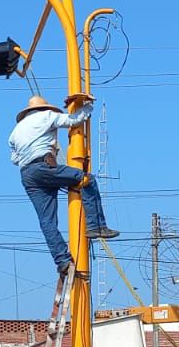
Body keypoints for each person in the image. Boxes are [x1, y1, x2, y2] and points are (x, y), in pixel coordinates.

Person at [8, 92, 118, 275]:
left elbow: (14, 159)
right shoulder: (47, 116)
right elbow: (74, 120)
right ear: (43, 108)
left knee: (46, 221)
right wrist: (88, 106)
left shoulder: (15, 131)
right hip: (44, 167)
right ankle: (96, 226)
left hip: (27, 174)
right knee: (86, 180)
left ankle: (62, 260)